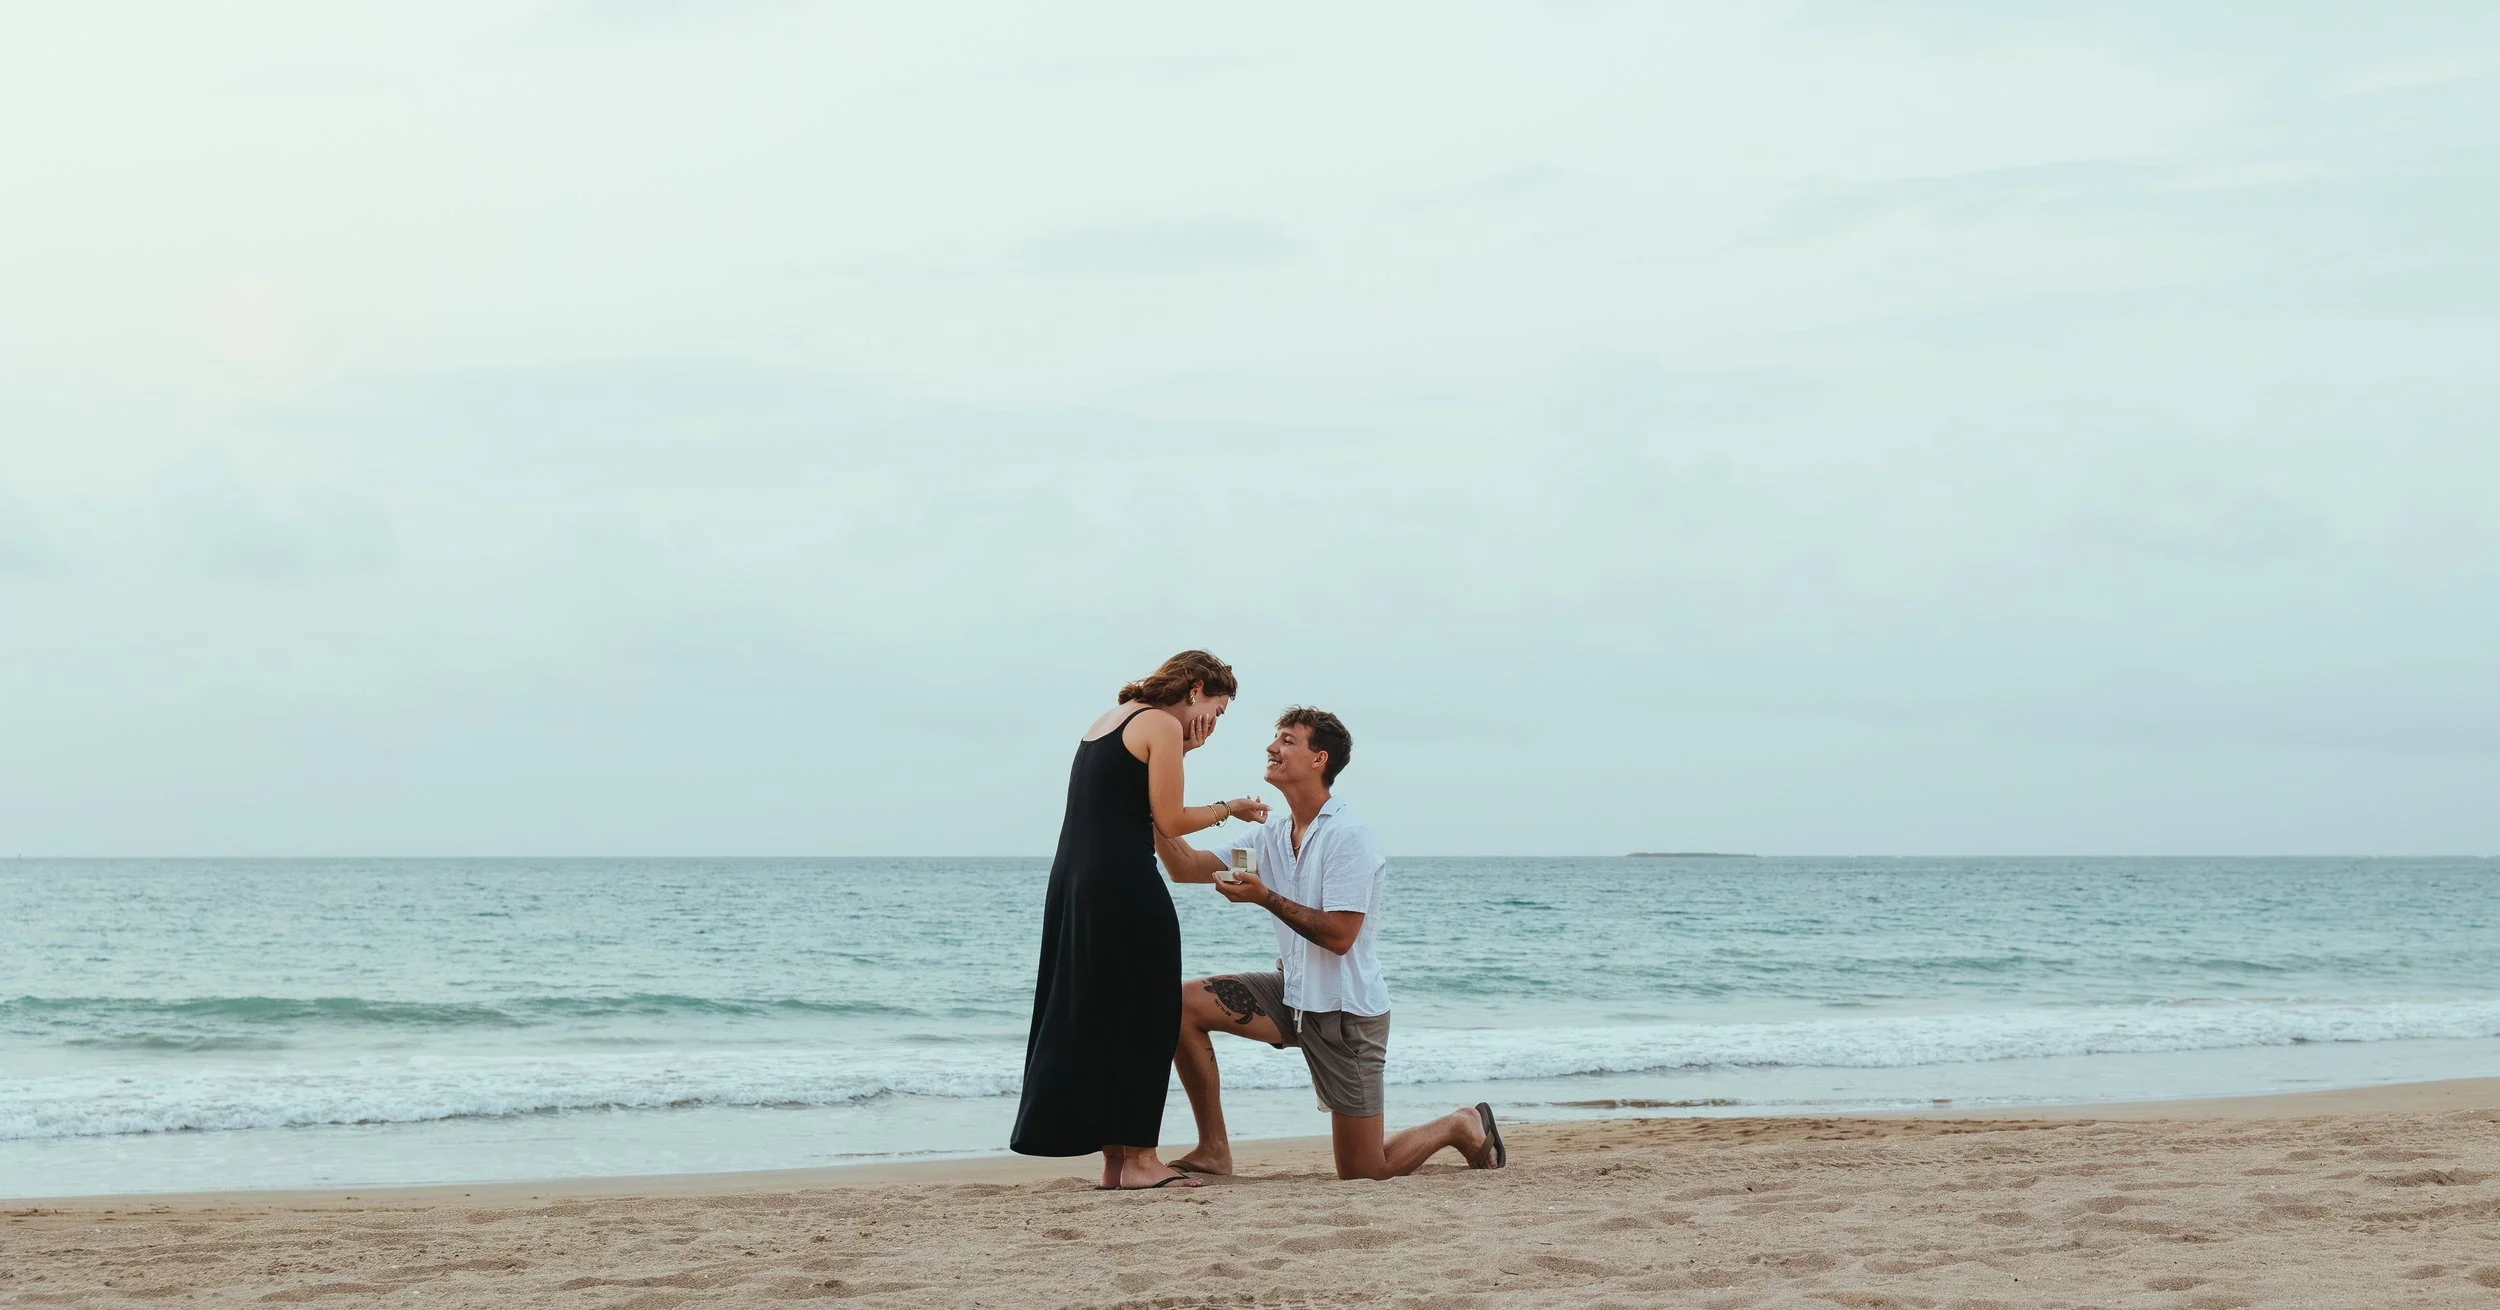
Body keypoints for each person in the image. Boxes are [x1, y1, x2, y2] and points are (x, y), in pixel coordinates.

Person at [1152, 706, 1505, 1180]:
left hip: (1346, 1015)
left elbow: (1340, 936)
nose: (1272, 748)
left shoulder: (1348, 835)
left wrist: (1264, 898)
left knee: (1362, 1173)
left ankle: (1460, 1124)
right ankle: (1214, 1149)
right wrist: (1154, 792)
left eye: (1287, 740)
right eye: (1275, 738)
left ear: (1320, 759)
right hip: (1291, 994)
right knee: (1180, 1005)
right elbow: (1184, 867)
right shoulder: (1271, 832)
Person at [1010, 650, 1270, 1190]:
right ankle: (1143, 1160)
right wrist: (1231, 807)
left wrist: (1185, 750)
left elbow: (1133, 802)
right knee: (1148, 1013)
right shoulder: (1160, 724)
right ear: (1196, 689)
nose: (1212, 725)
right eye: (1217, 711)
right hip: (1122, 882)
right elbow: (1170, 817)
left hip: (1075, 883)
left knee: (1108, 1013)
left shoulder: (1114, 718)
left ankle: (1117, 1164)